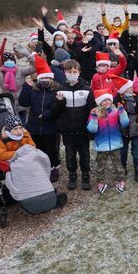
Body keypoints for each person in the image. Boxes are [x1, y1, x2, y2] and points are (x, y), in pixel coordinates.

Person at [51, 60, 95, 190]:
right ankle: (72, 175)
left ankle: (85, 175)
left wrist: (90, 127)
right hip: (67, 129)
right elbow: (55, 111)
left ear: (79, 72)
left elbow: (92, 109)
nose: (72, 74)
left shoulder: (87, 89)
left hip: (82, 130)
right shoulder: (60, 90)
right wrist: (59, 102)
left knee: (84, 154)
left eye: (74, 72)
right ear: (65, 73)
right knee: (70, 154)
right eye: (69, 72)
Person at [18, 55, 61, 182]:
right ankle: (41, 168)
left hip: (51, 127)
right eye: (43, 78)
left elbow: (57, 108)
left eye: (48, 78)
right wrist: (26, 87)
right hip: (34, 126)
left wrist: (47, 114)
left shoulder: (55, 90)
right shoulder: (34, 90)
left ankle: (54, 167)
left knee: (51, 149)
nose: (45, 80)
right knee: (38, 148)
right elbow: (23, 103)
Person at [86, 89, 130, 194]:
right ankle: (100, 182)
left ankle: (121, 180)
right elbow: (92, 129)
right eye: (104, 101)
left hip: (115, 144)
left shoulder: (115, 112)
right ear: (99, 102)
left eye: (108, 100)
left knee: (118, 164)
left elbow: (125, 123)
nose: (107, 102)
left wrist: (122, 112)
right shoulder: (94, 112)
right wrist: (93, 118)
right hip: (101, 145)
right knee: (101, 165)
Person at [111, 75, 138, 183]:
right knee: (123, 151)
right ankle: (123, 169)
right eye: (129, 88)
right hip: (122, 128)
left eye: (131, 88)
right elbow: (114, 112)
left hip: (134, 127)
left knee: (135, 151)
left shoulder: (136, 98)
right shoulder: (118, 99)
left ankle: (137, 171)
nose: (131, 89)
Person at [0, 46, 36, 122]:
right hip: (8, 106)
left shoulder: (21, 71)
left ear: (14, 61)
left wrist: (28, 55)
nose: (9, 61)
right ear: (3, 63)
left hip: (22, 105)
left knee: (22, 127)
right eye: (6, 60)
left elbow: (35, 67)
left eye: (11, 60)